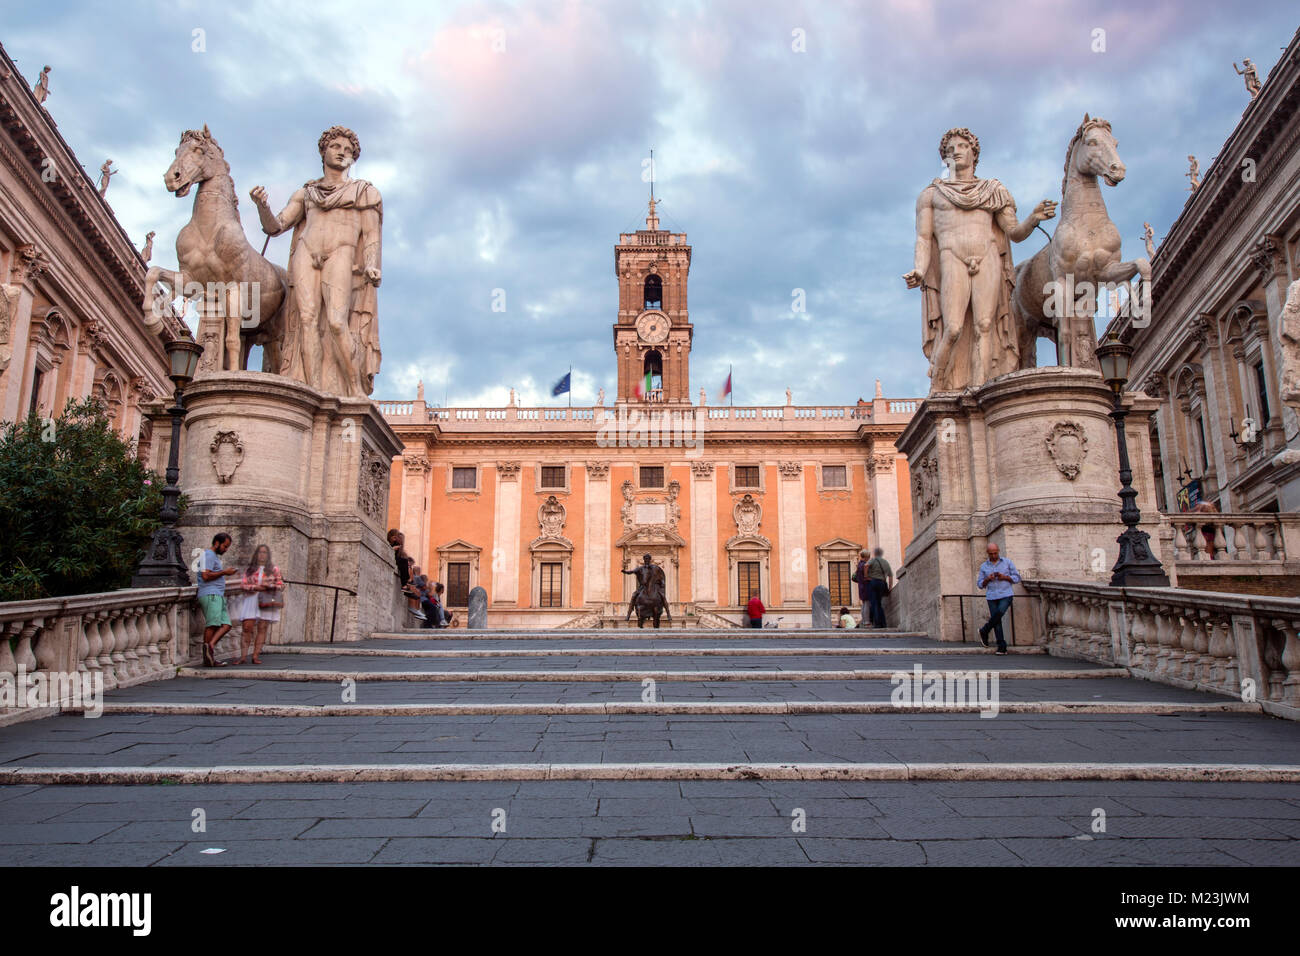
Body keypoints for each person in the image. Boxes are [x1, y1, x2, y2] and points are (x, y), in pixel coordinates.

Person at [233, 544, 284, 666]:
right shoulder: (250, 569)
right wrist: (255, 587)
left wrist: (269, 586)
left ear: (268, 555)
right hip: (251, 598)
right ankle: (243, 656)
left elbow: (281, 585)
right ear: (256, 554)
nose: (262, 555)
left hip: (265, 598)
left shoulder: (274, 569)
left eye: (264, 552)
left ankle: (255, 655)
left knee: (262, 627)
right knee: (247, 628)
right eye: (260, 552)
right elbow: (243, 585)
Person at [196, 532, 240, 667]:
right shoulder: (208, 555)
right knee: (213, 624)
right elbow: (205, 576)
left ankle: (210, 646)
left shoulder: (213, 556)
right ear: (217, 543)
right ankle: (208, 654)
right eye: (225, 546)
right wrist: (224, 572)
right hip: (210, 594)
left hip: (217, 595)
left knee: (226, 625)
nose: (225, 550)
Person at [976, 542, 1021, 655]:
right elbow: (980, 584)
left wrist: (1004, 577)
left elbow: (1016, 577)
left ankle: (984, 630)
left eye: (995, 553)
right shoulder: (984, 566)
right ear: (987, 553)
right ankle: (1001, 646)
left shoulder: (1007, 562)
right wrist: (988, 579)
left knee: (999, 613)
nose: (993, 555)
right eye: (991, 554)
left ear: (998, 551)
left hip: (1006, 594)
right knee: (997, 621)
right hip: (992, 596)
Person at [866, 547, 893, 628]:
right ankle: (883, 623)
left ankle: (877, 623)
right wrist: (890, 587)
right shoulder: (885, 562)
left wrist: (866, 575)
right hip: (882, 583)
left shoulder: (873, 560)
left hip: (873, 582)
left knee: (874, 603)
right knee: (879, 603)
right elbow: (890, 576)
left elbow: (866, 565)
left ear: (875, 553)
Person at [853, 549, 871, 628]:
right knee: (867, 603)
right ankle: (867, 621)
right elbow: (866, 576)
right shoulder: (864, 565)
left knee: (864, 604)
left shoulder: (859, 564)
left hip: (861, 586)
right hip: (866, 586)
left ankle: (864, 620)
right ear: (867, 556)